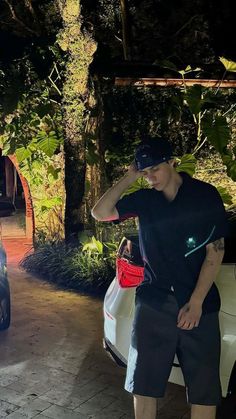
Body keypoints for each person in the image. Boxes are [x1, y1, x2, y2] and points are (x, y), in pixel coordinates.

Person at [91, 138, 228, 419]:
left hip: (199, 304)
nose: (151, 177)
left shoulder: (204, 195)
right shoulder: (145, 200)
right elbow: (100, 213)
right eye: (145, 172)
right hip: (154, 302)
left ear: (172, 163)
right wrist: (130, 177)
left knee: (204, 387)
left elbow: (215, 252)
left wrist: (196, 302)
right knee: (144, 383)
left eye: (155, 169)